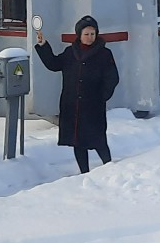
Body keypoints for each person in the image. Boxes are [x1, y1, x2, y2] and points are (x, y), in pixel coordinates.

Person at [32, 14, 120, 174]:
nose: (90, 37)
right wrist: (43, 45)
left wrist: (103, 96)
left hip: (93, 106)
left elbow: (112, 78)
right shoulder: (70, 53)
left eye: (93, 34)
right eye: (86, 34)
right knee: (77, 141)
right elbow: (53, 64)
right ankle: (84, 173)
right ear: (79, 35)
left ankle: (109, 167)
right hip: (72, 105)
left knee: (98, 139)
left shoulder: (104, 54)